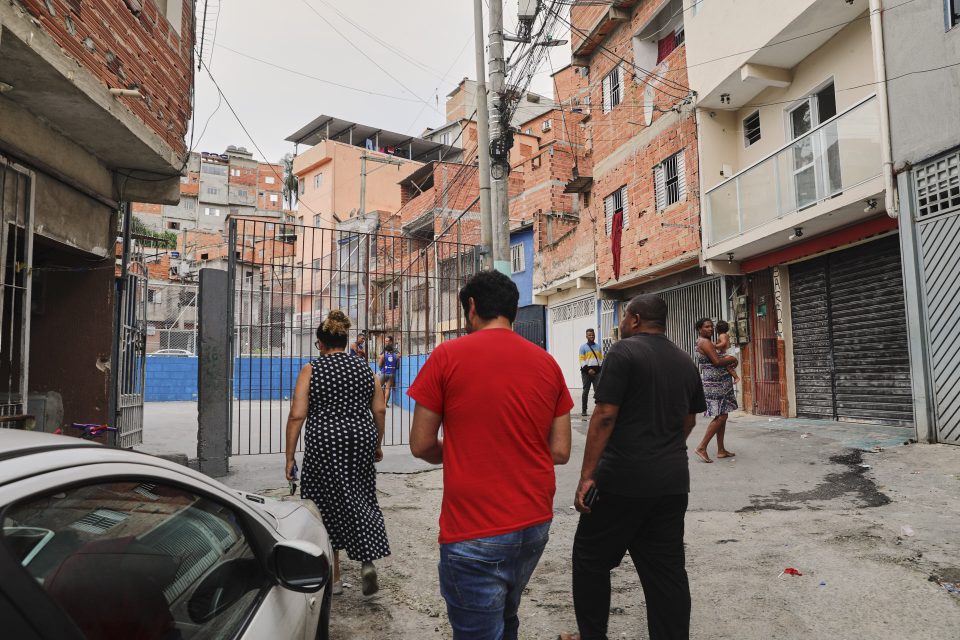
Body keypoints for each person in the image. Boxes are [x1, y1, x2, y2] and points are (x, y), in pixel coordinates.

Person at [408, 270, 573, 640]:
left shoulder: (447, 356)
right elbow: (561, 451)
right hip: (533, 524)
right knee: (506, 617)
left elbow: (420, 444)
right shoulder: (547, 362)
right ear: (513, 309)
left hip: (474, 530)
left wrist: (461, 451)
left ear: (471, 307)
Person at [563, 294, 707, 640]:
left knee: (590, 558)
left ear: (636, 319)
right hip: (671, 483)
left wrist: (586, 477)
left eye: (625, 316)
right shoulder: (684, 360)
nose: (623, 322)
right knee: (667, 572)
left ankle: (591, 636)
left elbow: (604, 416)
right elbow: (689, 420)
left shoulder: (623, 352)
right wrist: (664, 448)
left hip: (621, 480)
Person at [284, 310, 390, 597]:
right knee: (361, 496)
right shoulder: (365, 369)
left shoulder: (312, 369)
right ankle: (367, 562)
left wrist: (290, 457)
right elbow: (380, 410)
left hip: (325, 442)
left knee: (324, 505)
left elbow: (297, 415)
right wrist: (376, 443)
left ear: (321, 343)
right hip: (361, 439)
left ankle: (336, 578)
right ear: (344, 341)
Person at [693, 318, 739, 464]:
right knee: (722, 416)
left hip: (718, 382)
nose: (710, 329)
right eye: (706, 327)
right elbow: (717, 362)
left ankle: (721, 450)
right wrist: (732, 358)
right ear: (699, 329)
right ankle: (701, 447)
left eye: (711, 326)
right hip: (716, 383)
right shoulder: (705, 342)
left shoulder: (703, 341)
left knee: (722, 414)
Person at [578, 329, 603, 417]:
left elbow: (600, 359)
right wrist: (588, 370)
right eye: (589, 335)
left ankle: (599, 410)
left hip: (597, 373)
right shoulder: (583, 347)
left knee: (598, 392)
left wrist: (598, 370)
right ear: (586, 336)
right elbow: (581, 360)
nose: (591, 336)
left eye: (592, 335)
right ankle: (584, 410)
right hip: (586, 373)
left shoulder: (598, 347)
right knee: (586, 391)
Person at [378, 336, 400, 407]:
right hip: (392, 373)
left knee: (378, 387)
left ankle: (378, 402)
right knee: (388, 389)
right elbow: (399, 356)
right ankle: (385, 404)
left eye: (387, 341)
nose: (385, 342)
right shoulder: (395, 355)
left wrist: (381, 366)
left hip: (384, 372)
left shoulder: (383, 355)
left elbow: (379, 364)